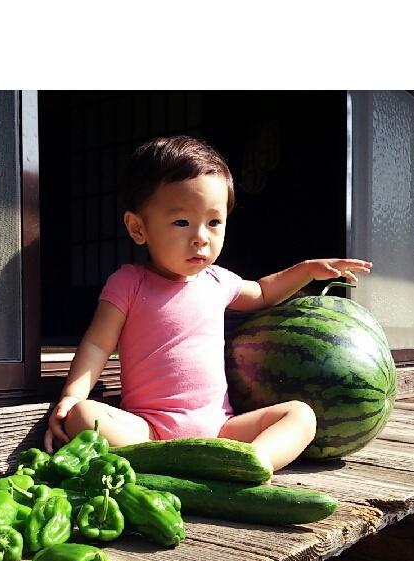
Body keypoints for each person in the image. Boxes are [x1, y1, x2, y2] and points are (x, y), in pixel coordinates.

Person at [43, 135, 371, 471]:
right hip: (149, 432)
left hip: (220, 431)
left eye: (214, 222)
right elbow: (97, 345)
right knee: (85, 415)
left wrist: (306, 271)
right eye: (182, 222)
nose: (201, 236)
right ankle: (179, 466)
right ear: (138, 227)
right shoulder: (129, 283)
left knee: (301, 415)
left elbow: (261, 292)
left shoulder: (217, 281)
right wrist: (72, 396)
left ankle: (252, 463)